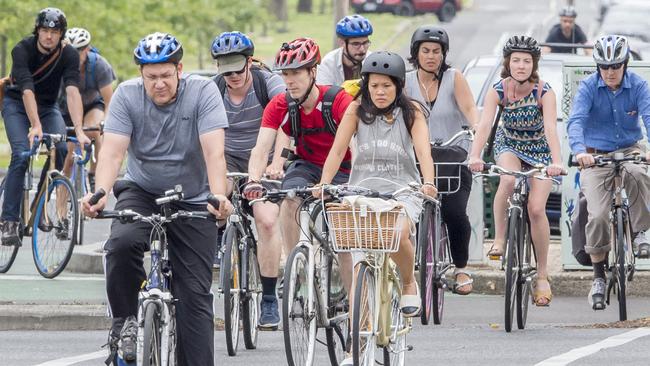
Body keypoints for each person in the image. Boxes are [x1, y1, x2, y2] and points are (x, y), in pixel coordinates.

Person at [81, 32, 232, 366]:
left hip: (194, 196)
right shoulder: (126, 96)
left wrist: (218, 195)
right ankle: (125, 322)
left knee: (193, 296)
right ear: (141, 75)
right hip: (143, 190)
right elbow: (112, 153)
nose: (159, 84)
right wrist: (101, 192)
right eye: (151, 77)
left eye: (166, 75)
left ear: (179, 69)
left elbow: (214, 152)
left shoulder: (203, 92)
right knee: (121, 243)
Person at [316, 51, 436, 366]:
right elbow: (337, 149)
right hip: (362, 192)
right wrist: (324, 183)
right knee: (359, 264)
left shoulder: (412, 114)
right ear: (366, 85)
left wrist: (429, 183)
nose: (379, 92)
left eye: (386, 86)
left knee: (397, 234)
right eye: (374, 85)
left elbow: (424, 152)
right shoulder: (356, 111)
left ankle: (409, 282)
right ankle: (358, 344)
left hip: (402, 192)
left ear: (398, 86)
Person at [244, 37, 355, 300]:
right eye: (285, 74)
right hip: (307, 166)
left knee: (342, 238)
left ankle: (354, 304)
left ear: (312, 72)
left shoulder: (338, 101)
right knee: (289, 198)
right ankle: (297, 266)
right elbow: (261, 148)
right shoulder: (281, 104)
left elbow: (358, 147)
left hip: (344, 169)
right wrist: (253, 180)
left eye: (296, 73)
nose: (289, 81)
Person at [468, 36, 564, 307]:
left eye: (526, 60)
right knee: (507, 181)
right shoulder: (497, 90)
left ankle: (543, 276)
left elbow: (550, 130)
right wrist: (474, 155)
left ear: (534, 64)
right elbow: (485, 125)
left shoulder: (544, 91)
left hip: (539, 149)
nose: (520, 65)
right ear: (507, 62)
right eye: (516, 60)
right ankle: (499, 240)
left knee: (536, 208)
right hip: (509, 143)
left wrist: (556, 162)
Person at [566, 35, 650, 311]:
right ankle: (599, 276)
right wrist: (580, 151)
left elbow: (649, 117)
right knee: (599, 214)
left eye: (615, 66)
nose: (610, 72)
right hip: (596, 154)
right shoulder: (589, 87)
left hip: (630, 148)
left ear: (625, 64)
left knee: (638, 173)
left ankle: (640, 233)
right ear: (597, 66)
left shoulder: (638, 85)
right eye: (604, 66)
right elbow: (576, 120)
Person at [210, 31, 287, 329]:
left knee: (266, 220)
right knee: (214, 199)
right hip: (227, 158)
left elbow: (286, 121)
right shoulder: (214, 89)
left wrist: (277, 163)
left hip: (264, 158)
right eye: (225, 70)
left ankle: (268, 298)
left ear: (250, 62)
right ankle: (219, 236)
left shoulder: (269, 84)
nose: (232, 76)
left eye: (237, 68)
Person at [1, 7, 90, 247]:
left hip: (48, 107)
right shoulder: (22, 49)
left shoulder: (69, 54)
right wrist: (35, 126)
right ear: (37, 31)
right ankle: (8, 221)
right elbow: (27, 88)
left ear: (61, 34)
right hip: (17, 104)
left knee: (62, 148)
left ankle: (38, 208)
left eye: (55, 31)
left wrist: (79, 130)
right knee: (21, 155)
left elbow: (72, 91)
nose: (49, 36)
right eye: (44, 30)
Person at [404, 25, 479, 295]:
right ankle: (407, 271)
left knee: (455, 213)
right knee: (406, 213)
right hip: (416, 159)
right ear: (416, 53)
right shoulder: (405, 81)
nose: (431, 56)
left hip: (454, 155)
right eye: (425, 51)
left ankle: (460, 268)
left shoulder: (454, 78)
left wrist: (478, 129)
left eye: (437, 51)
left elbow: (471, 110)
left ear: (444, 54)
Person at [60, 27, 116, 191]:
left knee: (95, 130)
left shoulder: (100, 66)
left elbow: (109, 101)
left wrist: (106, 123)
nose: (74, 55)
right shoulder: (59, 66)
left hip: (93, 105)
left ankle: (94, 172)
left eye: (78, 51)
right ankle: (63, 211)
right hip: (67, 109)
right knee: (68, 158)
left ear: (87, 49)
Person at [316, 14, 373, 86]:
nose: (362, 49)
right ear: (342, 43)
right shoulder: (329, 63)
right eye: (356, 44)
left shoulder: (372, 60)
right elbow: (324, 93)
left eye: (365, 43)